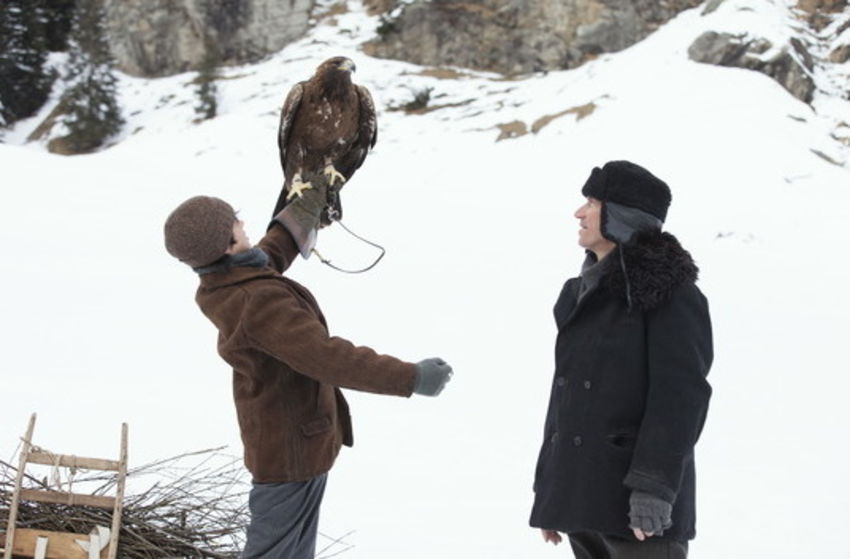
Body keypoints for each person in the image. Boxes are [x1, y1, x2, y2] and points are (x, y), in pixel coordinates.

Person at [163, 175, 453, 559]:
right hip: (287, 451)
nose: (243, 223)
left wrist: (303, 210)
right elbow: (327, 357)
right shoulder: (256, 302)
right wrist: (411, 377)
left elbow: (269, 254)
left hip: (293, 444)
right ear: (228, 243)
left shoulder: (226, 281)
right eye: (235, 220)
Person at [529, 161, 713, 559]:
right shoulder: (579, 293)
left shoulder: (671, 294)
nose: (579, 213)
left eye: (592, 203)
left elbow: (680, 399)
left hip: (641, 514)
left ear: (621, 218)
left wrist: (654, 487)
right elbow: (565, 400)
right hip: (585, 501)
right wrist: (551, 489)